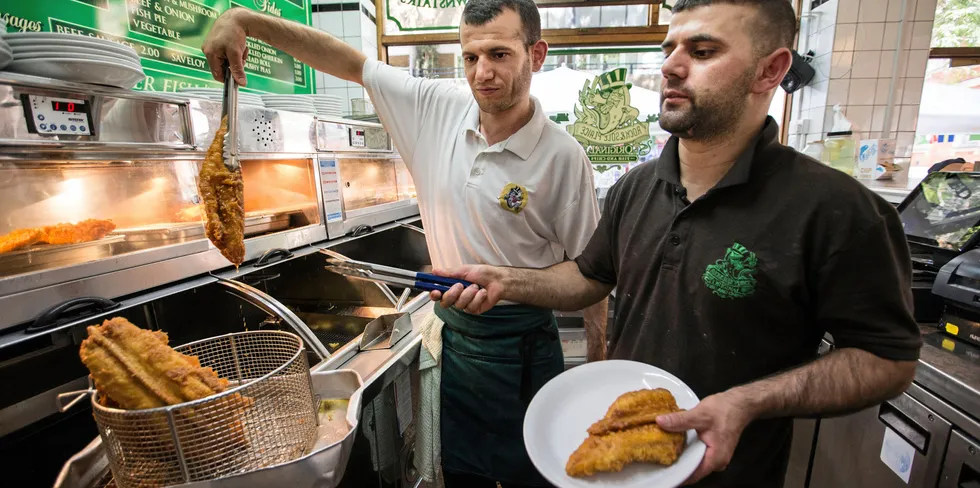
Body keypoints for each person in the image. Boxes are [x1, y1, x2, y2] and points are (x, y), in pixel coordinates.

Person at [429, 0, 922, 486]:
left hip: (731, 473)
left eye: (703, 51)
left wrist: (747, 402)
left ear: (770, 71)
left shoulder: (838, 211)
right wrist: (503, 280)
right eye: (670, 48)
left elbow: (888, 360)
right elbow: (588, 277)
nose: (671, 66)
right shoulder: (636, 188)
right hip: (626, 465)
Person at [202, 1, 608, 487]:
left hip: (524, 344)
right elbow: (348, 62)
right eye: (471, 57)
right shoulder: (436, 107)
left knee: (538, 473)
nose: (483, 73)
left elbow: (589, 274)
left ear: (536, 55)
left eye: (499, 54)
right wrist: (246, 21)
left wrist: (597, 366)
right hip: (458, 339)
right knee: (463, 475)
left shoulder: (563, 157)